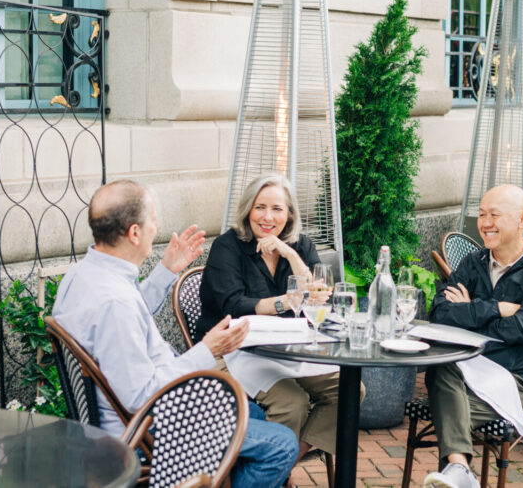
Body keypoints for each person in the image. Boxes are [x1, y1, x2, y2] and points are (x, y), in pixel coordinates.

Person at [53, 180, 298, 488]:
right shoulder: (115, 302)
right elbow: (139, 395)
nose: (157, 226)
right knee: (282, 445)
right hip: (148, 425)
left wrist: (166, 270)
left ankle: (212, 479)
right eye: (153, 219)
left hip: (133, 411)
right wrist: (208, 350)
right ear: (135, 233)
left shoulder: (83, 275)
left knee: (254, 413)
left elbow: (131, 314)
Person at [422, 185, 523, 488]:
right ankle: (460, 470)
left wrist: (471, 315)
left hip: (516, 381)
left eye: (494, 215)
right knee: (441, 366)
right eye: (482, 214)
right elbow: (440, 313)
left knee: (448, 411)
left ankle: (458, 471)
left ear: (522, 218)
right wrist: (498, 308)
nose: (485, 223)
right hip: (467, 371)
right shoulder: (474, 263)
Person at [198, 173, 342, 468]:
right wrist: (282, 303)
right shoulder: (228, 246)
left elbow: (315, 296)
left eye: (277, 209)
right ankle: (273, 472)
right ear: (248, 209)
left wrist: (288, 253)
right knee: (293, 403)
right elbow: (233, 305)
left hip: (285, 349)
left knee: (349, 391)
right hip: (234, 348)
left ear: (289, 215)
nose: (267, 217)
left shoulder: (298, 245)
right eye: (260, 207)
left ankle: (282, 466)